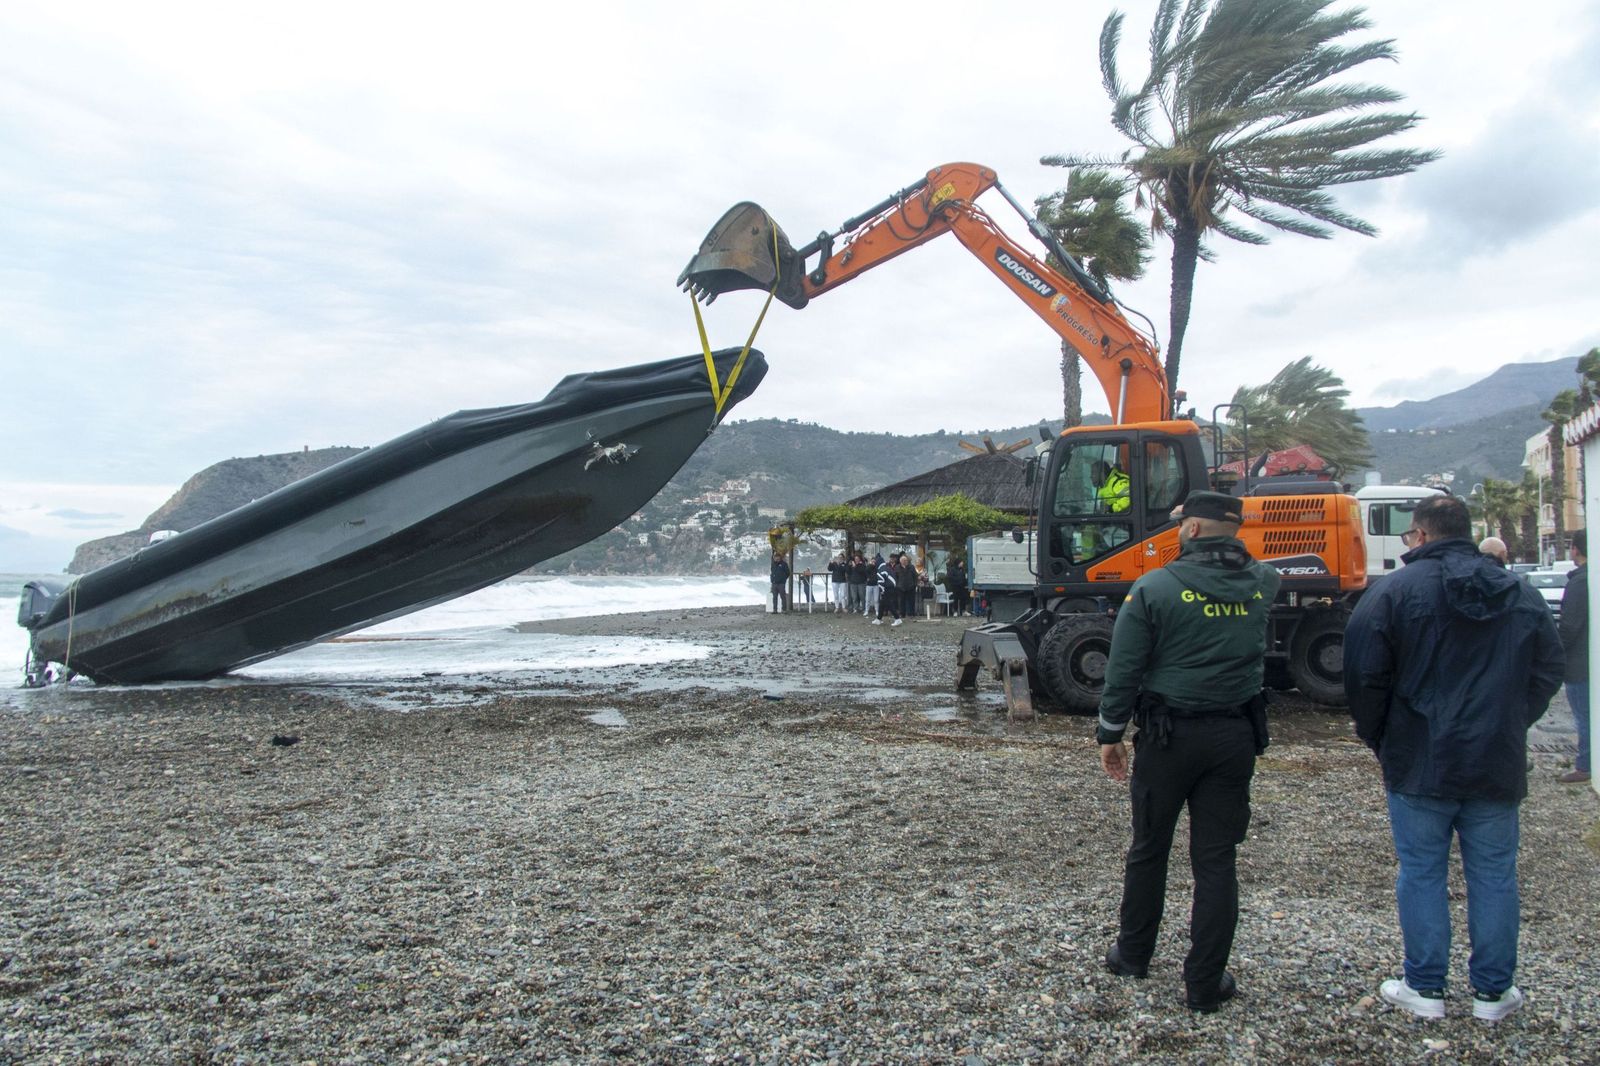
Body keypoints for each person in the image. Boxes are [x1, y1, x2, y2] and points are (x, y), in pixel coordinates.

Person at [1344, 494, 1563, 1023]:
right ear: (1467, 531)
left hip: (1419, 757)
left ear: (1419, 535)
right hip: (1495, 757)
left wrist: (1382, 737)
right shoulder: (1520, 593)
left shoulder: (1394, 591)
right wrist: (1510, 721)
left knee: (1421, 871)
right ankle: (1493, 992)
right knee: (1494, 874)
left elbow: (1363, 674)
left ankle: (1426, 986)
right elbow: (1548, 668)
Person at [1096, 490, 1280, 1013]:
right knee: (1217, 860)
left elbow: (1123, 670)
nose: (1176, 531)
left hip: (1167, 738)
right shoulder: (1264, 582)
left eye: (1180, 524)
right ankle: (1204, 983)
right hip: (1233, 736)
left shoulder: (1154, 587)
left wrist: (1109, 735)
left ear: (1193, 529)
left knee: (1150, 848)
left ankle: (1133, 954)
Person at [1558, 530, 1590, 784]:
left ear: (1575, 550)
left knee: (1585, 716)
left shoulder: (1580, 582)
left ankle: (1586, 764)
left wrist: (1555, 652)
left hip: (1581, 664)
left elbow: (1569, 627)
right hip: (1588, 660)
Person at [873, 552, 902, 627]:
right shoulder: (886, 567)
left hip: (887, 588)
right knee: (882, 604)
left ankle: (897, 619)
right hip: (892, 587)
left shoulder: (880, 570)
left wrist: (882, 591)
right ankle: (879, 619)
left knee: (889, 604)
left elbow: (881, 582)